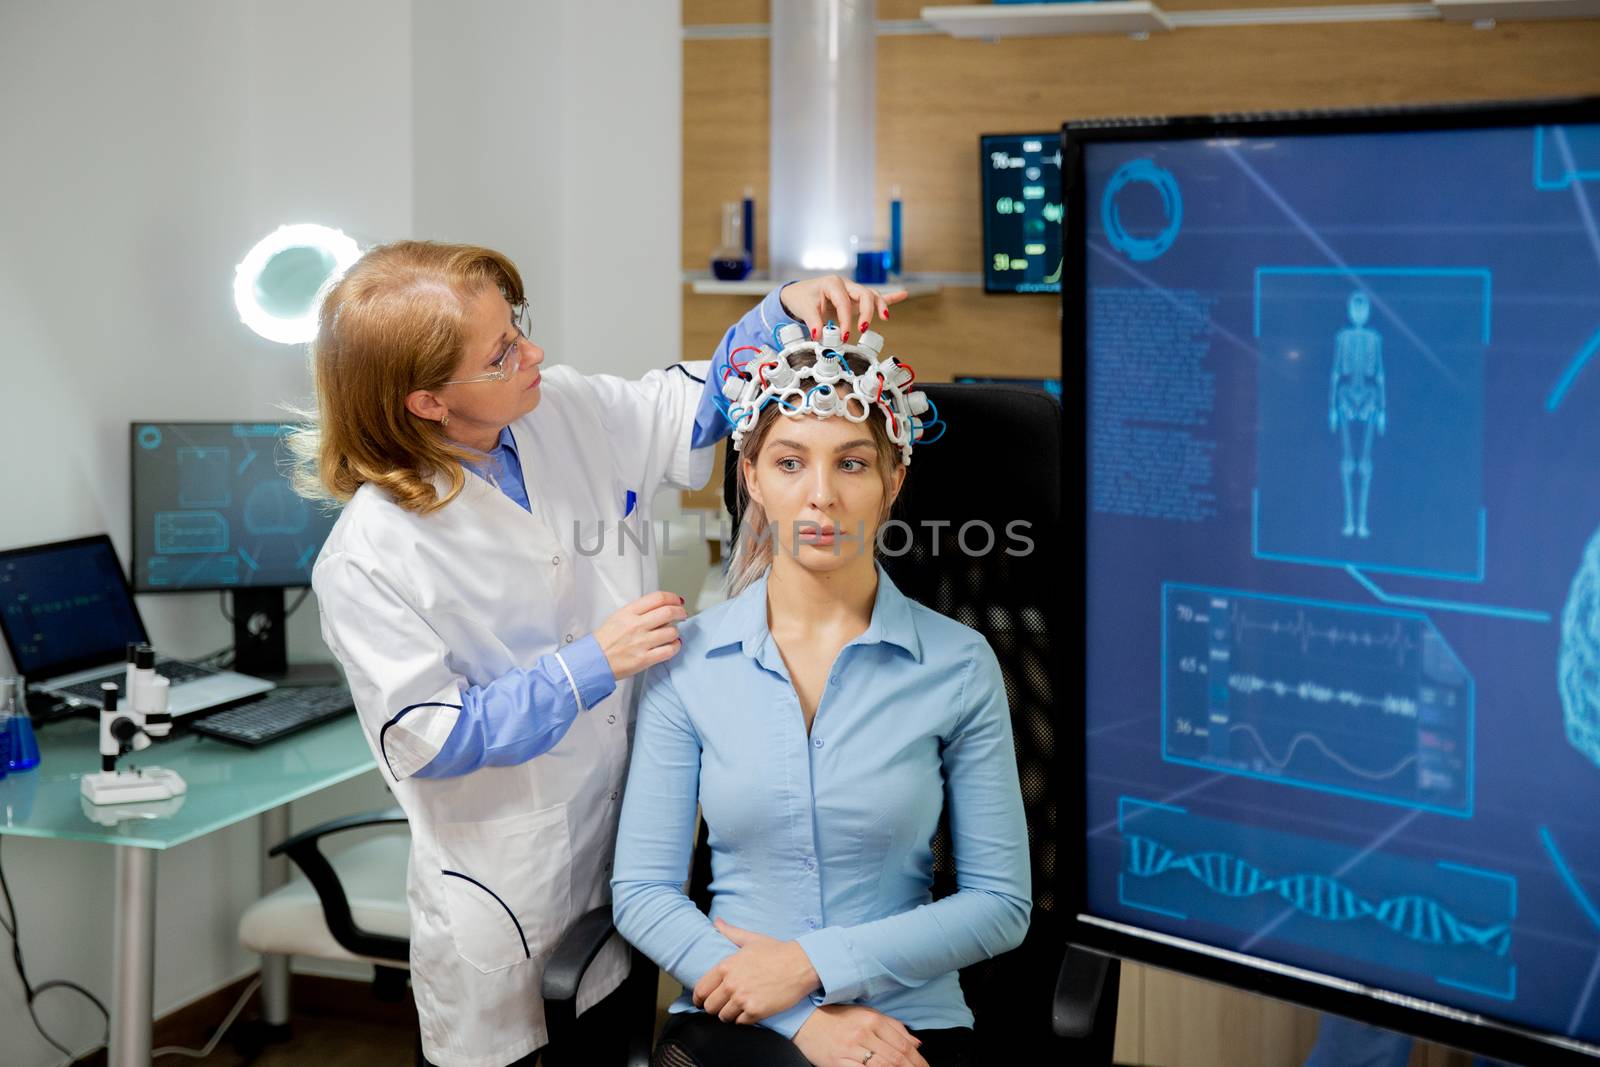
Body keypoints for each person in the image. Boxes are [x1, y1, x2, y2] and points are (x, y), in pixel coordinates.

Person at [295, 239, 901, 1067]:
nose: (532, 353)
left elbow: (696, 404)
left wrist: (783, 308)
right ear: (429, 402)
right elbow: (430, 737)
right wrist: (591, 665)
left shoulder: (557, 408)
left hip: (626, 879)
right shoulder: (368, 555)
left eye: (519, 327)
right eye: (502, 352)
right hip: (510, 899)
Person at [611, 340, 1031, 1067]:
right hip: (735, 1006)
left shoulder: (960, 665)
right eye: (789, 460)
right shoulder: (686, 663)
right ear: (751, 476)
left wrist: (808, 964)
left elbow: (1002, 903)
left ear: (894, 480)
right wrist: (801, 1013)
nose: (821, 496)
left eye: (853, 462)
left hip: (908, 1016)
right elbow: (643, 889)